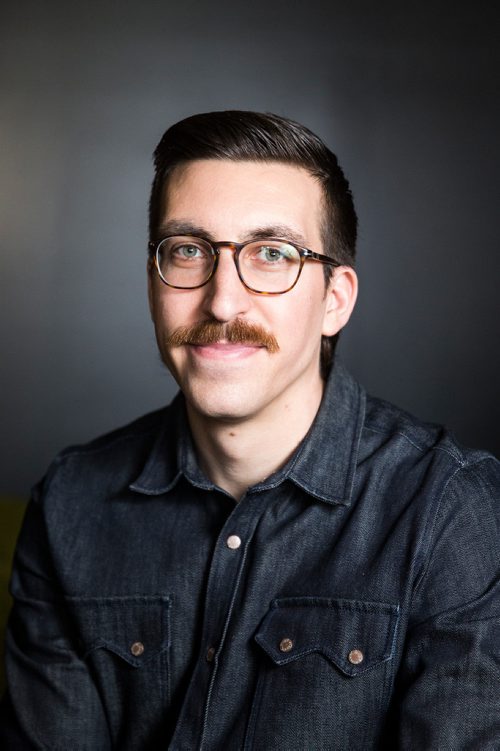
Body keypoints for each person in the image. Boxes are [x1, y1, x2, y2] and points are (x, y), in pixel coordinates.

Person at [1, 111, 499, 750]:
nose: (222, 302)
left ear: (334, 300)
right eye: (188, 251)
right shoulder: (72, 505)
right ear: (153, 281)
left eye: (271, 255)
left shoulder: (450, 513)